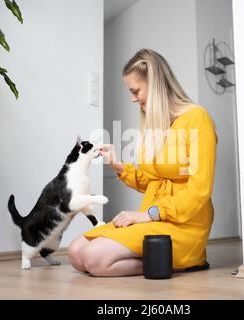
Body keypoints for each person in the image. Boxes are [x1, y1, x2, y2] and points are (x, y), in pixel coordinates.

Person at [67, 49, 218, 277]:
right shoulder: (155, 124)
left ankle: (189, 259)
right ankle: (156, 257)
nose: (133, 98)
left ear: (155, 84)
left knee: (93, 258)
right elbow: (153, 182)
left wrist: (150, 213)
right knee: (76, 253)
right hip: (154, 217)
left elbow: (200, 189)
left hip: (185, 223)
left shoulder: (197, 118)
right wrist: (118, 166)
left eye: (135, 90)